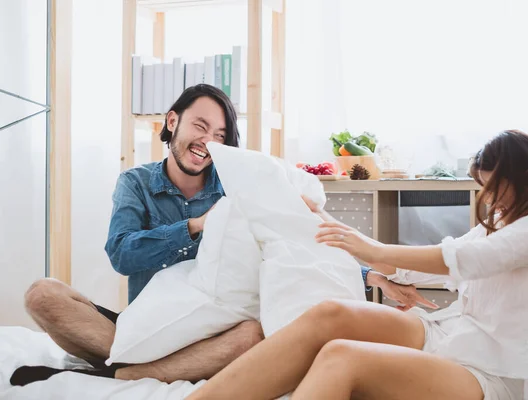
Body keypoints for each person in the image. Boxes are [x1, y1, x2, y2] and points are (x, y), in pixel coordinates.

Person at [11, 84, 428, 387]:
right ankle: (133, 363)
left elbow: (291, 243)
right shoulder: (135, 182)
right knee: (42, 294)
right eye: (200, 126)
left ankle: (131, 375)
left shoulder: (235, 184)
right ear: (172, 122)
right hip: (147, 325)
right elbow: (122, 255)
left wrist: (368, 276)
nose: (207, 142)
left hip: (215, 332)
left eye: (221, 136)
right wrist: (195, 226)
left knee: (257, 334)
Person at [186, 130, 528, 400]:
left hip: (493, 374)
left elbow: (472, 259)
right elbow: (449, 253)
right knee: (331, 314)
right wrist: (335, 228)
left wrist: (376, 250)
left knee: (341, 357)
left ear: (527, 174)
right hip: (454, 334)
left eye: (494, 188)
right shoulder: (513, 218)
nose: (490, 201)